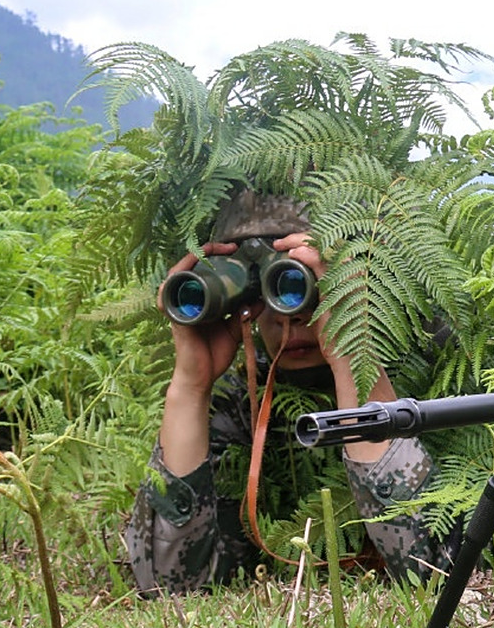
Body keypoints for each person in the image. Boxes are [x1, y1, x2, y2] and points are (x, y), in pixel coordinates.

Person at [123, 189, 440, 595]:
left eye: (300, 282)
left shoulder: (436, 370)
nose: (287, 315)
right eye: (262, 290)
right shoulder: (244, 404)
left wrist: (354, 346)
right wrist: (191, 386)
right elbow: (170, 587)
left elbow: (435, 571)